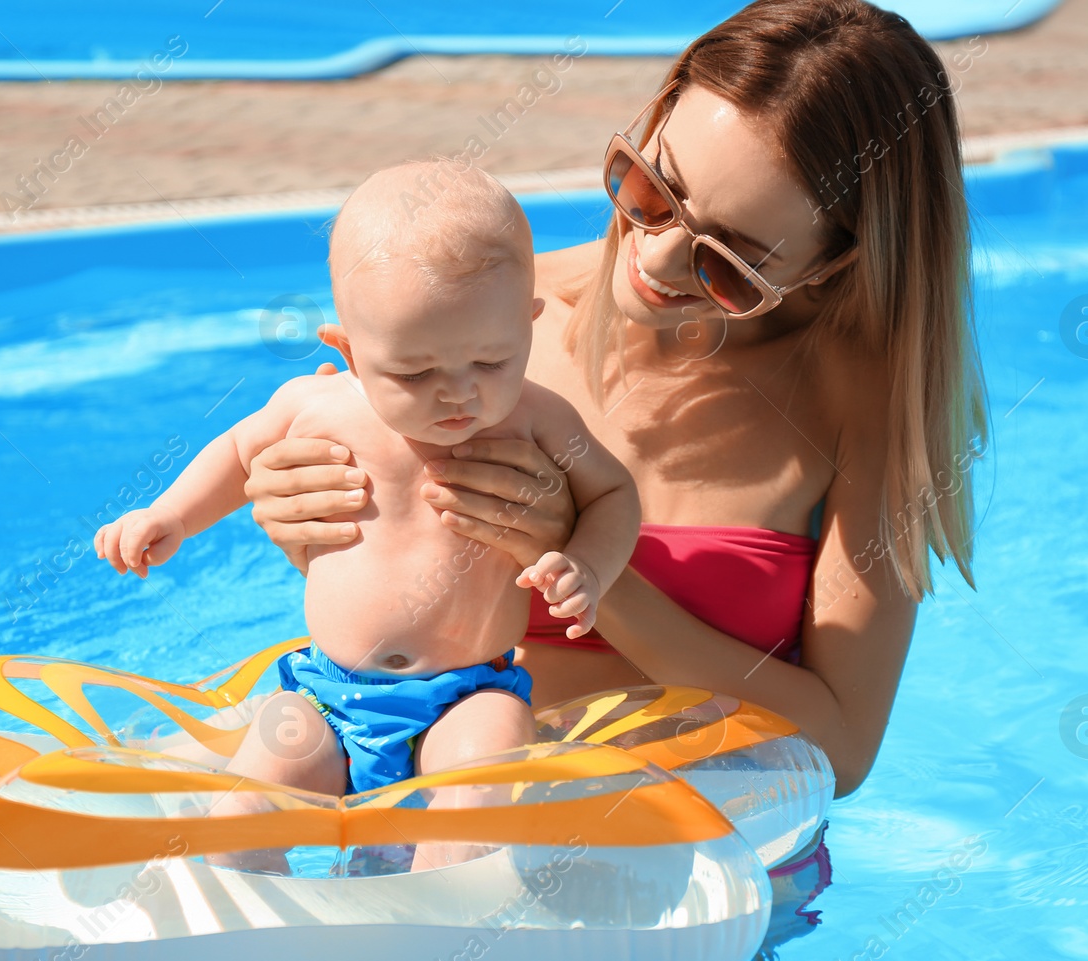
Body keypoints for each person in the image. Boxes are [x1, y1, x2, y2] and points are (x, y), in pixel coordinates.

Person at [237, 0, 987, 797]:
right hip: (425, 807)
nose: (657, 260)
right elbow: (382, 610)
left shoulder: (861, 409)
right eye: (652, 188)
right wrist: (308, 515)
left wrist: (589, 559)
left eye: (730, 260)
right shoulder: (471, 331)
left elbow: (841, 749)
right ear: (653, 117)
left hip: (696, 874)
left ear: (831, 263)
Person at [92, 160, 640, 800]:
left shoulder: (539, 419)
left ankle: (452, 885)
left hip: (472, 693)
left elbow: (613, 492)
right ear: (348, 351)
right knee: (252, 797)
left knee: (480, 786)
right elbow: (238, 452)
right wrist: (171, 516)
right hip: (325, 694)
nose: (458, 392)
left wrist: (588, 567)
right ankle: (242, 881)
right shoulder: (317, 406)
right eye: (412, 375)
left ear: (527, 326)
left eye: (492, 361)